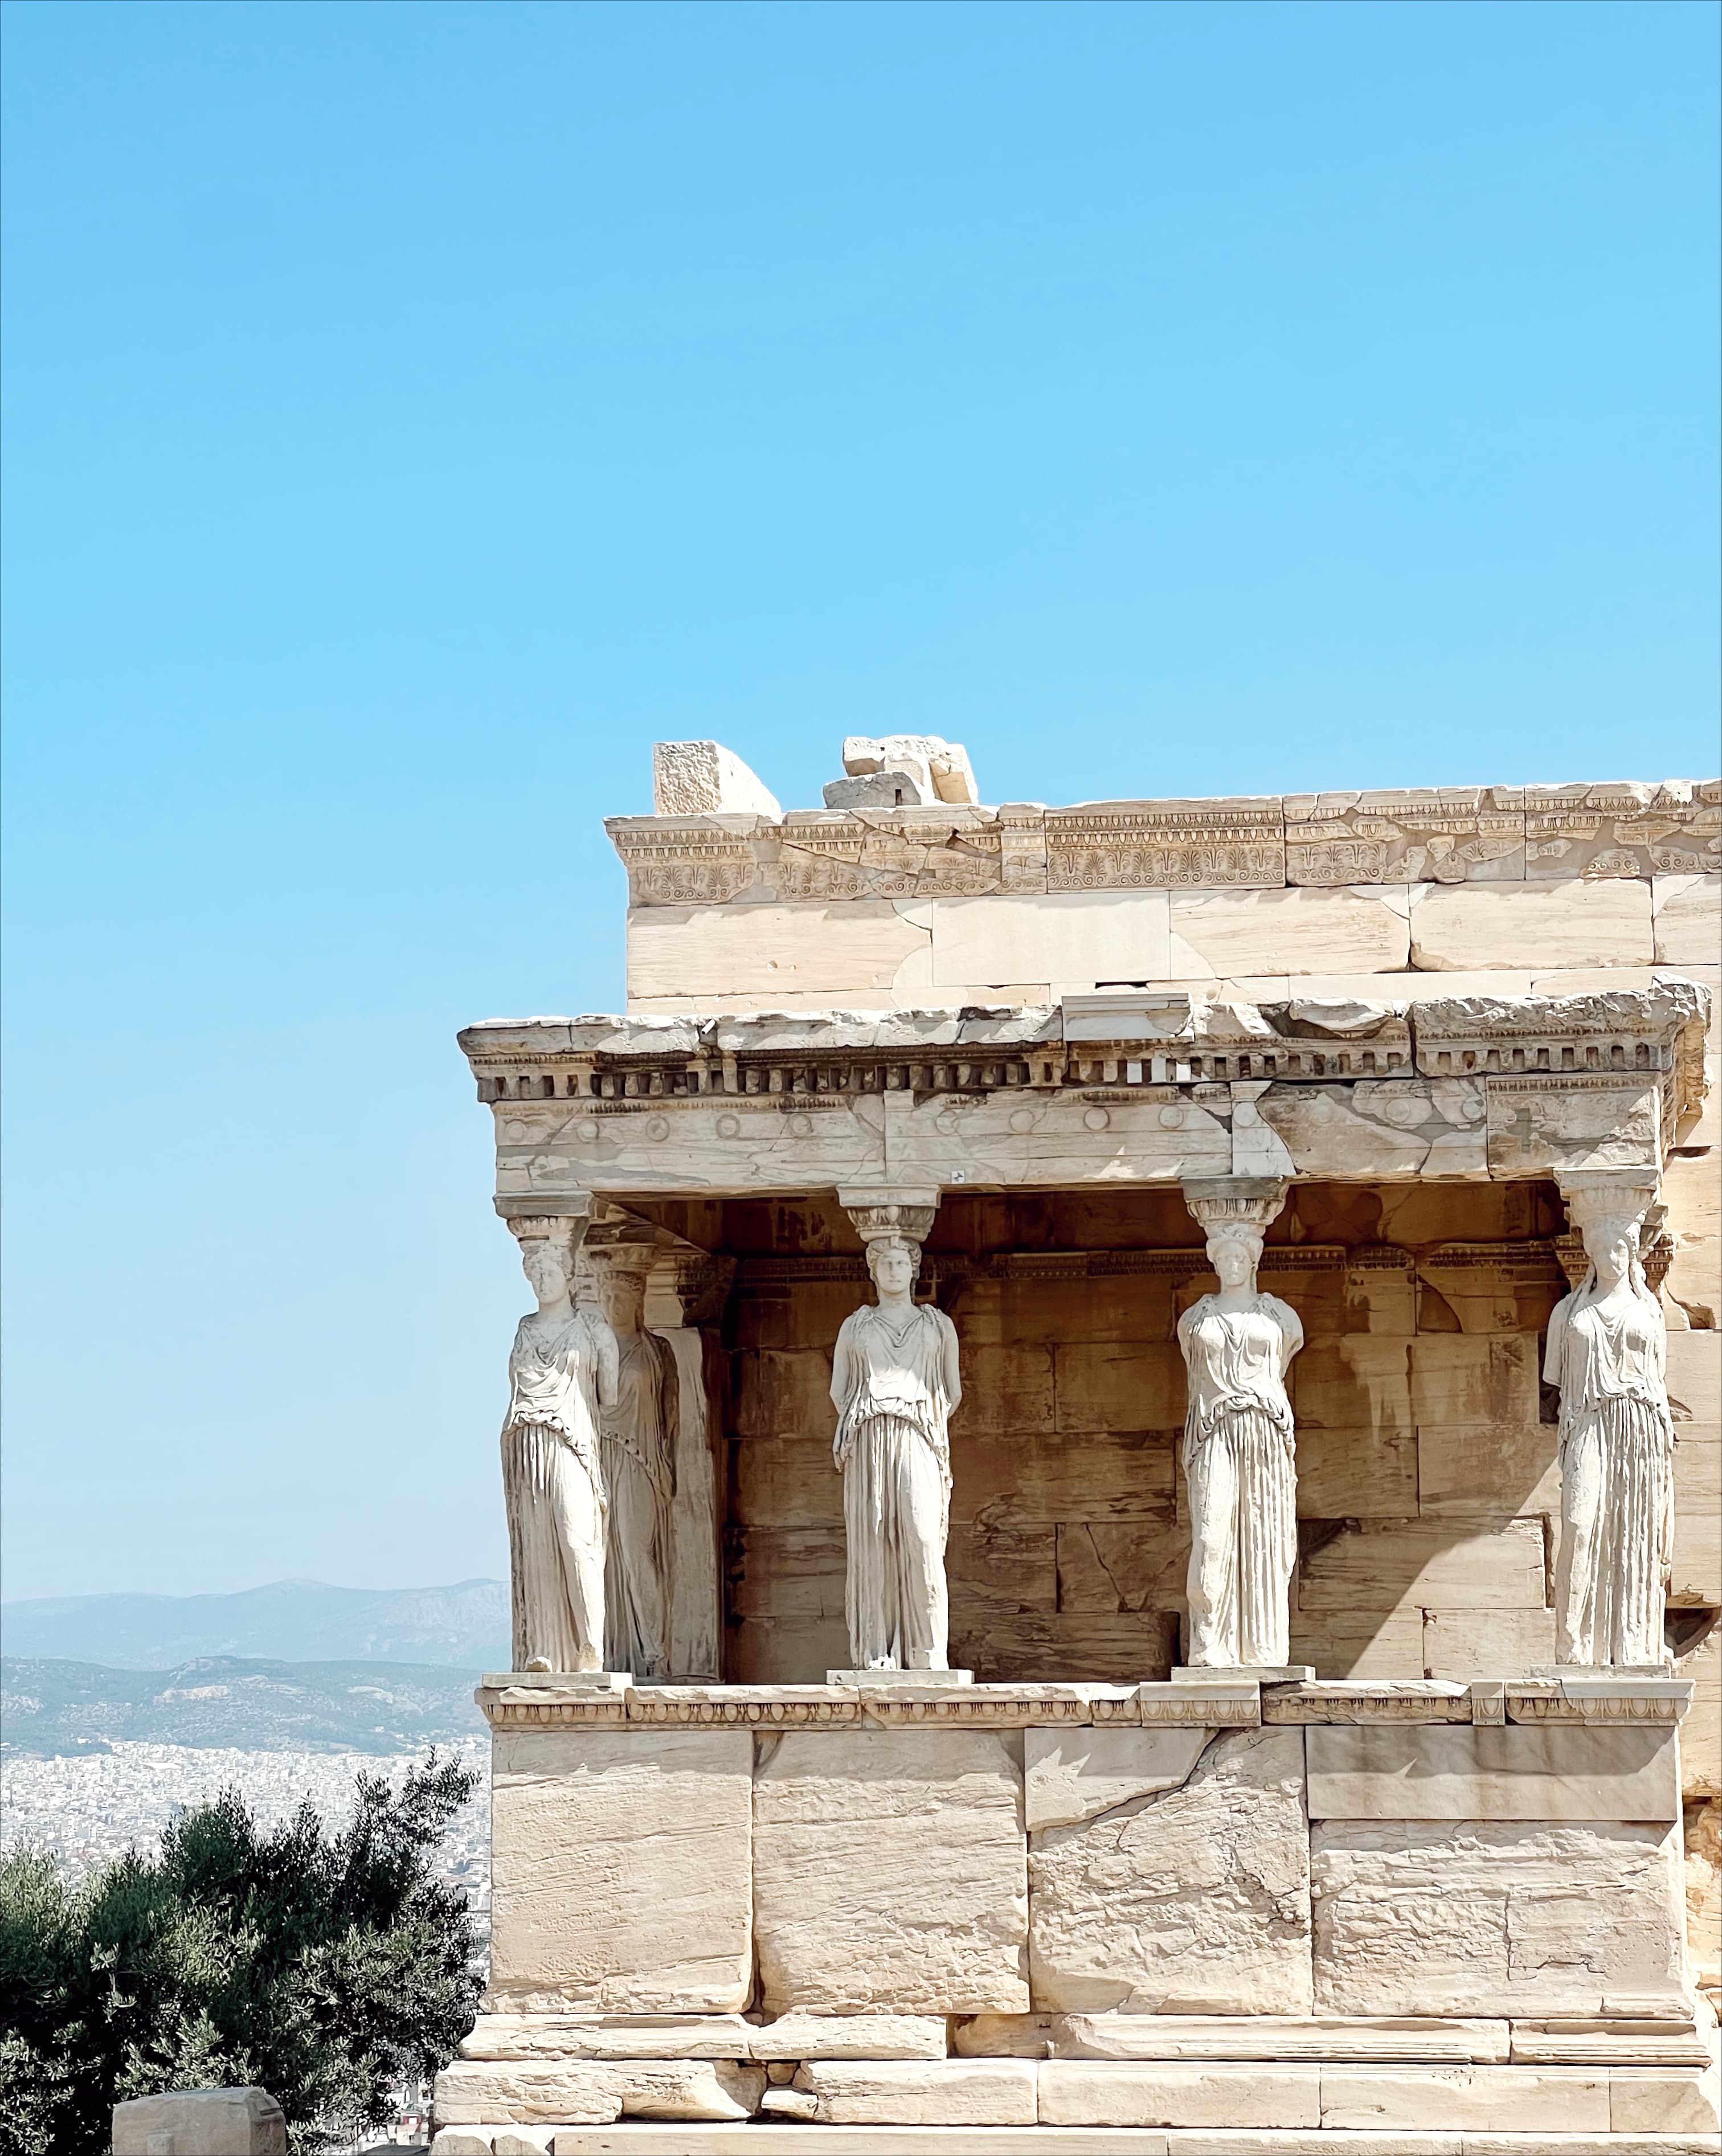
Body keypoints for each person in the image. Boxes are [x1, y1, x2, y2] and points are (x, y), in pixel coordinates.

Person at [1545, 1205, 1674, 1668]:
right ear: (1589, 1254)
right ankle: (1571, 1638)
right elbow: (1555, 1385)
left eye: (1619, 1247)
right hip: (1586, 1423)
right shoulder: (1567, 1312)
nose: (1610, 1257)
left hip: (1639, 1427)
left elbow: (1657, 1380)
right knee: (1579, 1524)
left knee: (1631, 1529)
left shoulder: (1649, 1309)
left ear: (1632, 1251)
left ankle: (1630, 1642)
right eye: (1600, 1249)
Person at [830, 1234, 962, 1671]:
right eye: (884, 1261)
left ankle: (927, 1652)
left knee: (922, 1534)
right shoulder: (855, 1326)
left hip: (919, 1433)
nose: (892, 1268)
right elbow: (839, 1389)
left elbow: (952, 1390)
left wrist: (916, 1412)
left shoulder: (937, 1325)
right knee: (874, 1538)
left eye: (900, 1261)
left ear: (913, 1268)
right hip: (869, 1436)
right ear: (872, 1269)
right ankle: (876, 1653)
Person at [1177, 1225, 1304, 1669]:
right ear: (1213, 1262)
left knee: (1262, 1533)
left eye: (1239, 1256)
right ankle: (1209, 1643)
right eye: (1222, 1257)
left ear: (1253, 1260)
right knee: (1210, 1536)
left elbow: (1285, 1358)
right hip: (1214, 1429)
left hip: (1264, 1430)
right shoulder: (1195, 1319)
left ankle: (1261, 1648)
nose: (1230, 1264)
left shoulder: (1280, 1316)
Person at [500, 1235, 617, 1672]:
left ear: (568, 1274)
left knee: (575, 1539)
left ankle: (590, 1646)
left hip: (574, 1441)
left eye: (549, 1270)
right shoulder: (525, 1329)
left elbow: (609, 1394)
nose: (541, 1279)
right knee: (539, 1544)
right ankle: (545, 1650)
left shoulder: (590, 1327)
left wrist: (606, 1346)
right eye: (535, 1272)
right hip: (530, 1441)